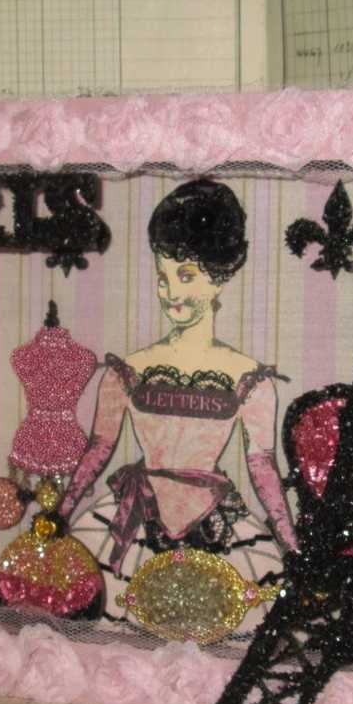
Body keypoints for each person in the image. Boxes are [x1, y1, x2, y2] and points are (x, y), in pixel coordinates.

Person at [57, 178, 298, 639]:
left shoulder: (249, 378)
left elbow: (261, 465)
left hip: (214, 520)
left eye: (186, 276)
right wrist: (61, 512)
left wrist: (290, 543)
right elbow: (99, 446)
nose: (170, 292)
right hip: (132, 517)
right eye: (163, 277)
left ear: (220, 277)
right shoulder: (127, 370)